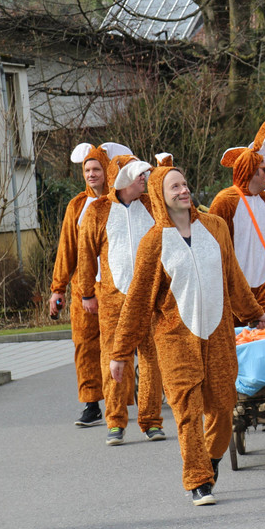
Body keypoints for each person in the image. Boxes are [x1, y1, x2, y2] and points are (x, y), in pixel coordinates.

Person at [110, 166, 265, 506]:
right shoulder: (153, 242)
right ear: (159, 195)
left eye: (184, 183)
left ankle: (210, 463)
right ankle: (198, 480)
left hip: (218, 334)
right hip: (174, 338)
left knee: (224, 407)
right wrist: (120, 353)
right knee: (187, 410)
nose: (183, 191)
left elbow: (234, 277)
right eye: (174, 187)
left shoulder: (215, 227)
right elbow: (138, 301)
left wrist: (254, 312)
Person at [77, 154, 165, 446]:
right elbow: (86, 255)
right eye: (139, 175)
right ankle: (115, 422)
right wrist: (87, 292)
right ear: (125, 177)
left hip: (150, 299)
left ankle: (151, 421)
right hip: (114, 301)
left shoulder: (152, 207)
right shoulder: (97, 212)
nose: (144, 179)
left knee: (153, 360)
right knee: (113, 361)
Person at [49, 142, 128, 426]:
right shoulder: (77, 206)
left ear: (106, 171)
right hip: (83, 289)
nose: (92, 174)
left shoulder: (119, 202)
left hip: (114, 287)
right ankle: (91, 402)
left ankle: (121, 400)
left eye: (96, 169)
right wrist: (58, 288)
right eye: (87, 169)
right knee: (84, 345)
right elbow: (66, 248)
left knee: (116, 345)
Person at [208, 120, 265, 316]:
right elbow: (212, 245)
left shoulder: (264, 198)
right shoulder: (224, 201)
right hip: (235, 294)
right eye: (263, 170)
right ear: (250, 171)